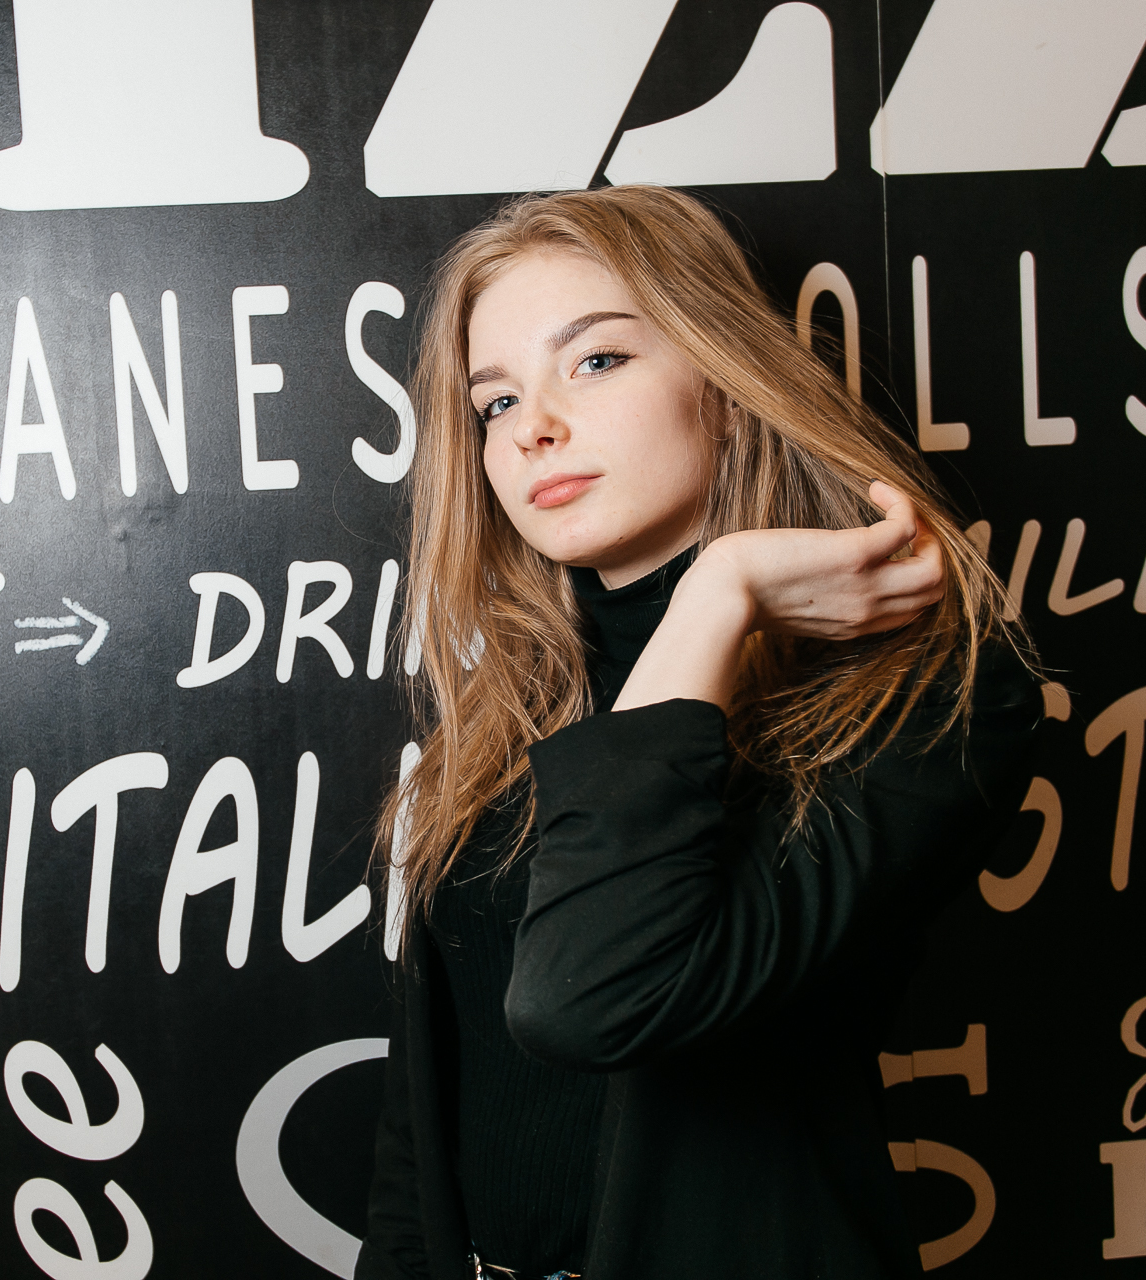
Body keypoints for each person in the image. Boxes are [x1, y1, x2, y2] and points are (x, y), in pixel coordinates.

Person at [354, 186, 1039, 1280]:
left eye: (596, 360)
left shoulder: (929, 697)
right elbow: (423, 1119)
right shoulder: (505, 711)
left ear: (724, 385)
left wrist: (719, 594)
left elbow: (589, 996)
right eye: (495, 401)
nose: (532, 426)